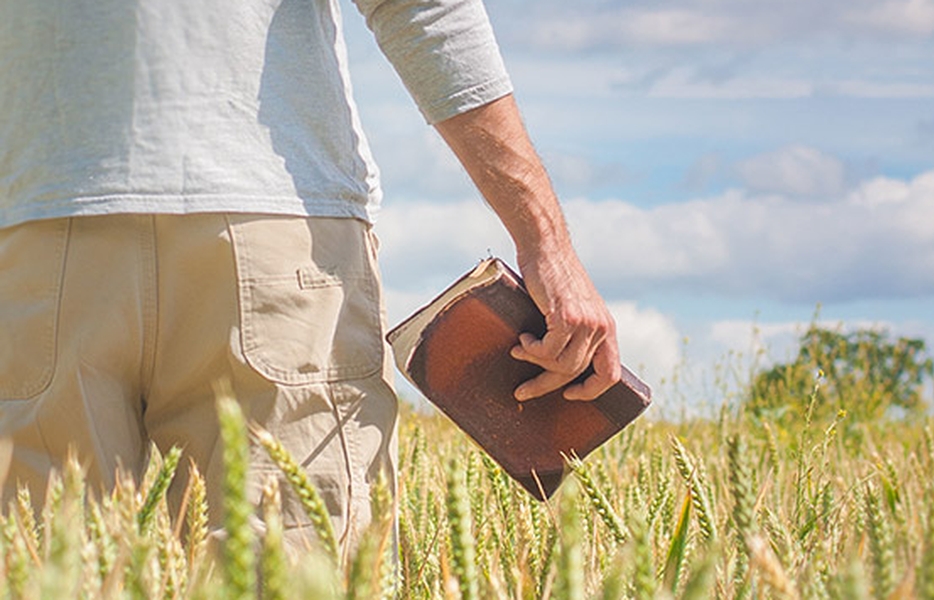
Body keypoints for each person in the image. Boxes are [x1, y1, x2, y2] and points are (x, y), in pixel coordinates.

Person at [0, 0, 620, 553]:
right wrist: (547, 244)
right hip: (274, 231)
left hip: (37, 228)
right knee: (294, 569)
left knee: (47, 564)